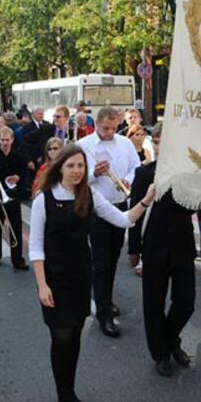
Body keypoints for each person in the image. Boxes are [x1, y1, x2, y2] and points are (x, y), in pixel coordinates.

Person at [29, 144, 155, 402]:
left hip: (80, 275)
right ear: (60, 168)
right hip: (53, 277)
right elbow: (36, 246)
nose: (76, 171)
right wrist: (42, 285)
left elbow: (124, 219)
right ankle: (63, 395)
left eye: (80, 166)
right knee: (60, 336)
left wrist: (146, 200)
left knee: (74, 334)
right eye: (71, 166)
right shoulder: (44, 198)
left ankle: (69, 391)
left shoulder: (90, 194)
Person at [128, 124, 196, 377]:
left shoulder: (189, 173)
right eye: (157, 142)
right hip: (154, 248)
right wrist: (133, 249)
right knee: (153, 305)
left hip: (182, 247)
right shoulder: (144, 173)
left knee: (186, 302)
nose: (161, 146)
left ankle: (171, 339)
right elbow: (136, 211)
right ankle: (161, 353)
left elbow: (192, 207)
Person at [77, 106, 140, 338]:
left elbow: (136, 167)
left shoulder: (124, 143)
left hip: (120, 204)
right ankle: (104, 314)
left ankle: (106, 298)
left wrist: (128, 179)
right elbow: (77, 177)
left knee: (113, 258)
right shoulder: (84, 145)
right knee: (101, 261)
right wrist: (95, 173)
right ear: (97, 125)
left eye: (114, 128)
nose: (110, 132)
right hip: (96, 208)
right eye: (105, 128)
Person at [0, 127, 29, 270]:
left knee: (16, 228)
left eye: (7, 140)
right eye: (2, 140)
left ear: (12, 140)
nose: (5, 142)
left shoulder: (19, 157)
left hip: (13, 196)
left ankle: (17, 259)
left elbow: (25, 175)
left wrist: (19, 178)